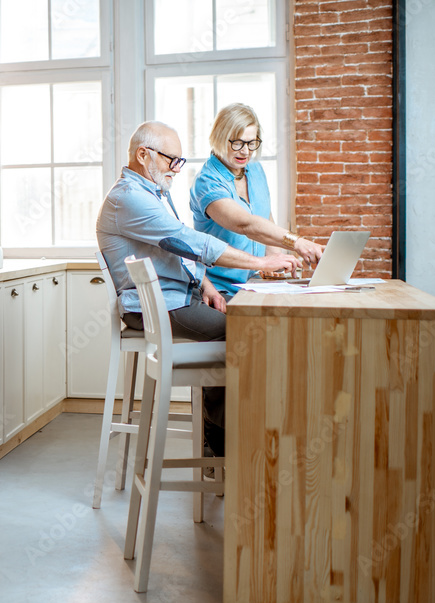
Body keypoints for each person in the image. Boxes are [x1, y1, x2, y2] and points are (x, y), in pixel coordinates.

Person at [96, 121, 300, 456]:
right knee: (241, 332)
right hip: (156, 308)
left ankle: (224, 439)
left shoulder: (153, 193)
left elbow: (177, 248)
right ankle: (221, 446)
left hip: (174, 300)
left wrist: (205, 285)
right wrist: (262, 263)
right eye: (170, 160)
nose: (175, 168)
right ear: (142, 155)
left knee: (238, 327)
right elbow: (193, 242)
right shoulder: (129, 198)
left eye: (179, 161)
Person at [190, 103, 324, 297]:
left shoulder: (255, 170)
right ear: (219, 138)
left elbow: (265, 218)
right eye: (237, 143)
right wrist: (297, 242)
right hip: (220, 289)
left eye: (252, 143)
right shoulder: (207, 182)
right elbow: (245, 224)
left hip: (255, 283)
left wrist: (276, 264)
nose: (245, 151)